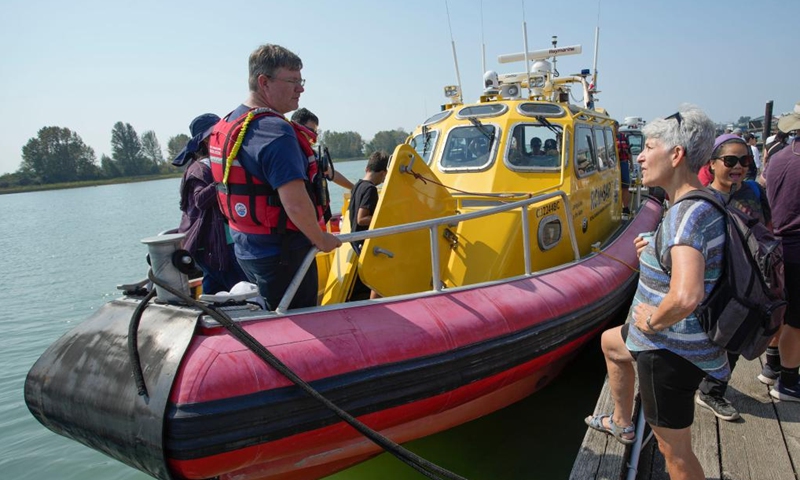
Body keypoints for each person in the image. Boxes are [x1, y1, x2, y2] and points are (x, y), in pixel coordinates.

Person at [585, 106, 723, 480]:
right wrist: (657, 249)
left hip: (670, 350)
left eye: (649, 147)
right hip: (668, 342)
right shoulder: (699, 202)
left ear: (676, 155)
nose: (640, 156)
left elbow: (686, 296)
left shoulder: (685, 215)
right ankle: (620, 420)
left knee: (673, 452)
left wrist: (653, 320)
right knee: (611, 343)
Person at [209, 44, 341, 311]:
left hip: (246, 248)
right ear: (263, 82)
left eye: (301, 80)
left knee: (274, 314)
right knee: (299, 323)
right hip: (282, 255)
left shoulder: (230, 124)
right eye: (292, 81)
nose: (300, 88)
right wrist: (321, 238)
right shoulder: (274, 131)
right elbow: (294, 203)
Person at [694, 133, 771, 421]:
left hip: (748, 276)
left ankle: (713, 390)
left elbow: (768, 226)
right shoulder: (702, 197)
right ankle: (703, 383)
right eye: (730, 160)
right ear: (712, 164)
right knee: (710, 334)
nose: (737, 166)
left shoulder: (753, 190)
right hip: (712, 279)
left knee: (737, 333)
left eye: (744, 160)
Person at [173, 113, 247, 294]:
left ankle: (208, 317)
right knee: (242, 288)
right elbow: (200, 200)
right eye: (219, 134)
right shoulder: (200, 168)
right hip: (214, 245)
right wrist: (223, 180)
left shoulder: (213, 165)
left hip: (217, 243)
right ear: (207, 141)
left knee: (213, 289)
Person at [765, 102, 800, 402]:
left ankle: (773, 364)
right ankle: (789, 381)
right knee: (796, 319)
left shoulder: (777, 158)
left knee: (783, 309)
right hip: (797, 250)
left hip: (777, 246)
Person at [348, 151, 390, 299]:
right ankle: (375, 306)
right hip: (364, 241)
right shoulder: (370, 189)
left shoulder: (357, 186)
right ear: (384, 173)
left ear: (367, 168)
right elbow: (362, 218)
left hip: (355, 239)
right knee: (380, 275)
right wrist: (383, 218)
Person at [290, 107, 354, 190]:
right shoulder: (289, 153)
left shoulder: (312, 156)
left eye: (315, 131)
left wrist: (354, 188)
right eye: (310, 130)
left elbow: (331, 173)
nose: (312, 135)